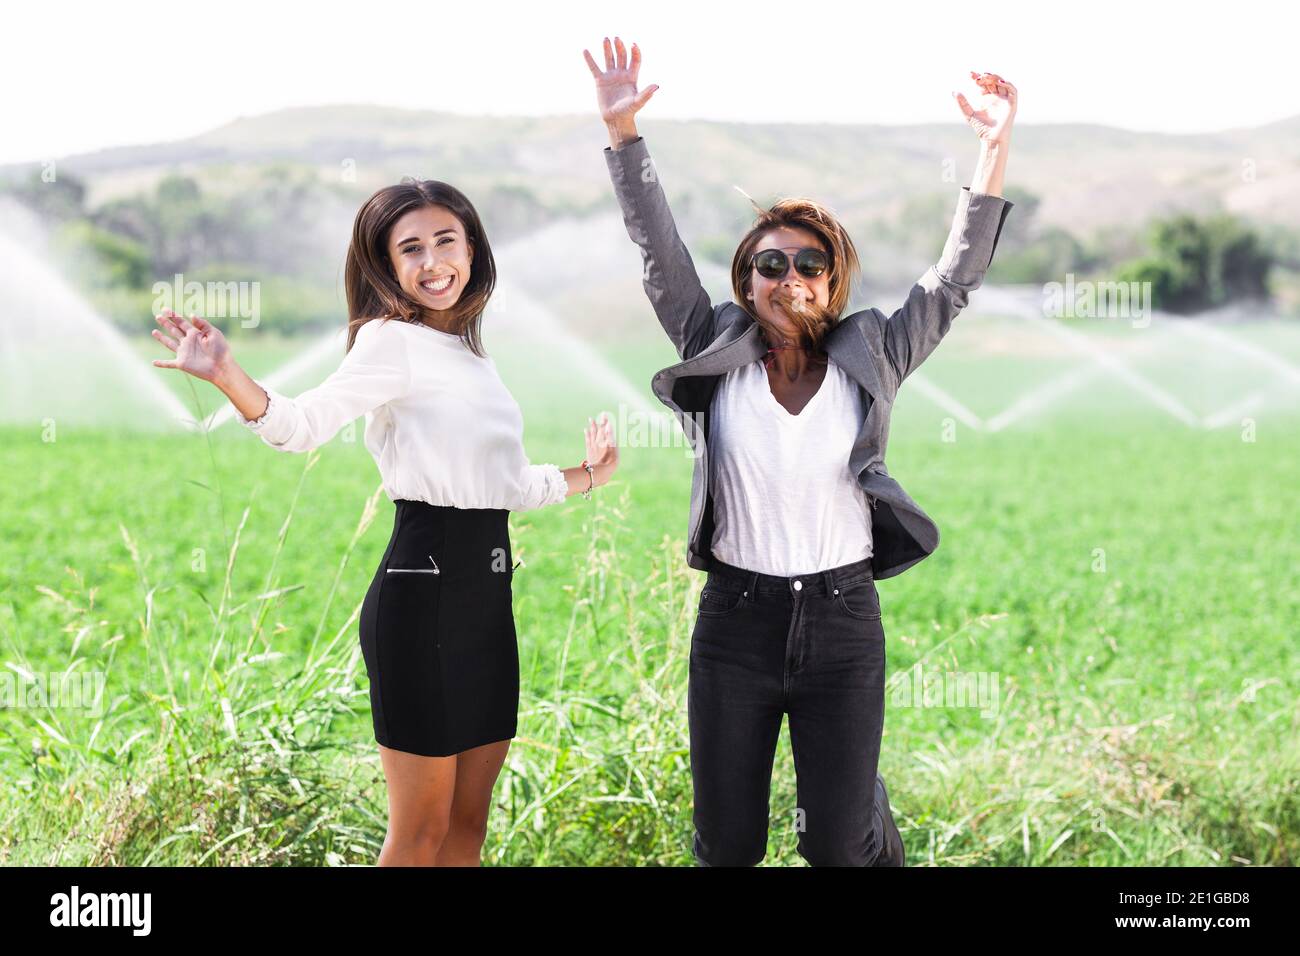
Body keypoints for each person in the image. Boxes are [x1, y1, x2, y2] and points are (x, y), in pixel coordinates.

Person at [584, 35, 1016, 866]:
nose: (791, 277)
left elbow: (953, 280)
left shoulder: (875, 351)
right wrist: (623, 135)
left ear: (832, 279)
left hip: (843, 620)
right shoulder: (712, 340)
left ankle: (861, 816)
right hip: (735, 624)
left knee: (842, 849)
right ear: (748, 279)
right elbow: (656, 251)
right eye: (771, 263)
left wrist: (994, 147)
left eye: (809, 264)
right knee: (729, 845)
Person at [150, 177, 618, 866]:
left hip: (488, 604)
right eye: (411, 249)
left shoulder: (468, 353)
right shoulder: (388, 341)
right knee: (420, 833)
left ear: (472, 248)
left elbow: (504, 484)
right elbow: (303, 426)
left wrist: (588, 477)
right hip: (421, 599)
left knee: (467, 830)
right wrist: (228, 375)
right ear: (385, 266)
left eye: (445, 241)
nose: (433, 263)